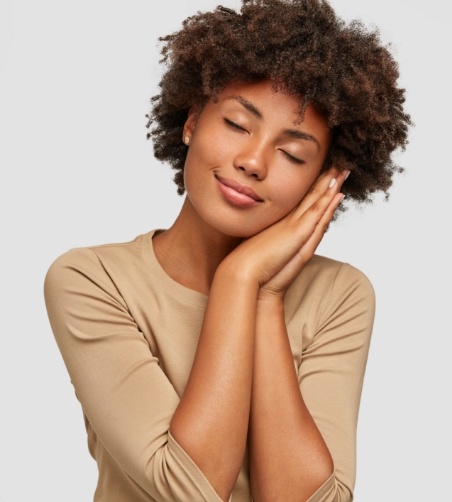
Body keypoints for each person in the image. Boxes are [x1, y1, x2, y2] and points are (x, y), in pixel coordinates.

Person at [44, 0, 411, 500]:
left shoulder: (340, 296)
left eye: (292, 153)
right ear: (192, 120)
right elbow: (187, 490)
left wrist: (260, 293)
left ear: (324, 179)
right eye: (238, 124)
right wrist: (241, 279)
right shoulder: (93, 280)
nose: (253, 161)